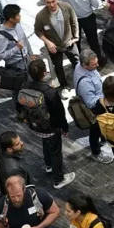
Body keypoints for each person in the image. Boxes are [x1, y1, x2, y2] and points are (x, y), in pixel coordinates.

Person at [18, 60, 75, 189]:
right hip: (50, 127)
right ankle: (58, 179)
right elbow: (59, 113)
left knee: (45, 142)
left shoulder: (25, 86)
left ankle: (48, 165)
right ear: (45, 73)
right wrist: (64, 127)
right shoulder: (50, 92)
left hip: (35, 125)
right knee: (56, 152)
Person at [34, 0, 80, 99]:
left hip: (69, 43)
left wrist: (76, 37)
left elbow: (74, 22)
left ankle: (81, 79)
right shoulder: (41, 16)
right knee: (58, 67)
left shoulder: (67, 7)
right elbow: (38, 31)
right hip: (54, 47)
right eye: (48, 2)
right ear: (44, 2)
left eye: (53, 1)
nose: (51, 5)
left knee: (77, 62)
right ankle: (64, 86)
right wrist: (48, 42)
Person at [0, 132, 33, 196]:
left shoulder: (0, 150)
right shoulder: (14, 171)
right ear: (9, 149)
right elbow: (19, 190)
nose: (22, 143)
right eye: (17, 144)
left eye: (20, 140)